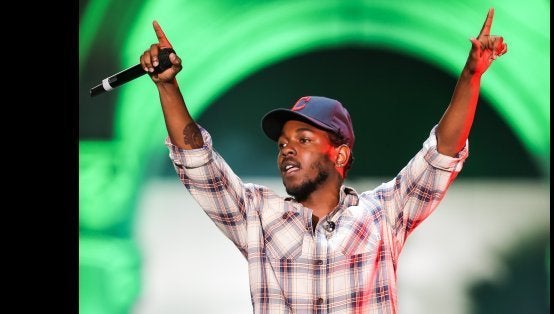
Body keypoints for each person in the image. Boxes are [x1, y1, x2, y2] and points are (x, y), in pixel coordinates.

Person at [140, 7, 507, 313]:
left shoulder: (382, 214)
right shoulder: (259, 217)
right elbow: (198, 163)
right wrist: (168, 86)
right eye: (283, 142)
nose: (287, 148)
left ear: (341, 154)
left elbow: (441, 152)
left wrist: (472, 75)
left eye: (303, 139)